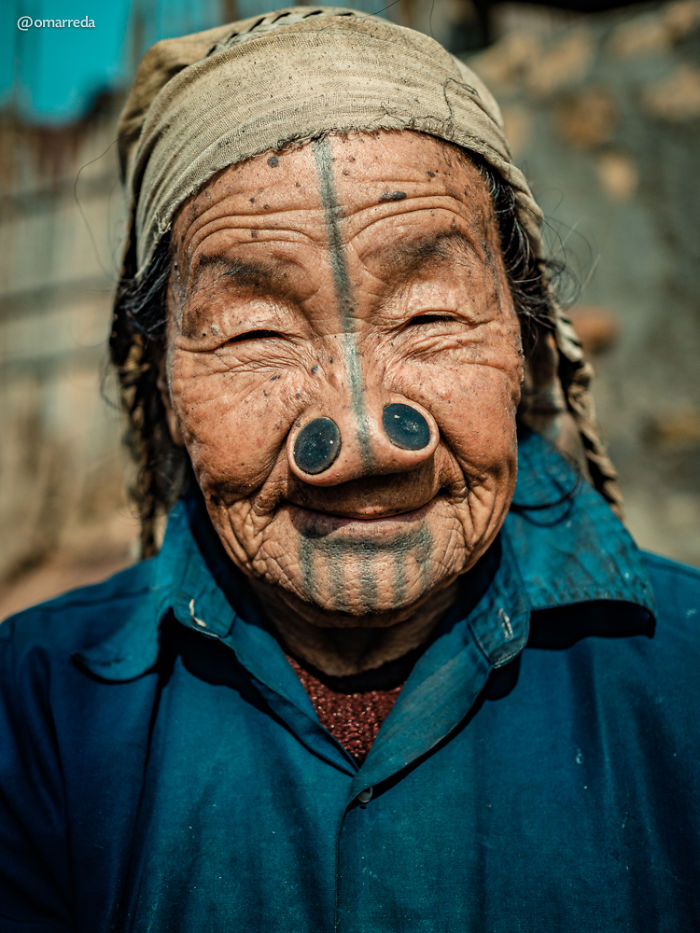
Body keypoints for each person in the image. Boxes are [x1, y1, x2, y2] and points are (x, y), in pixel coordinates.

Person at [1, 7, 698, 931]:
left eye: (431, 314)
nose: (367, 442)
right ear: (163, 379)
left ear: (525, 342)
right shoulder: (36, 708)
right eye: (254, 330)